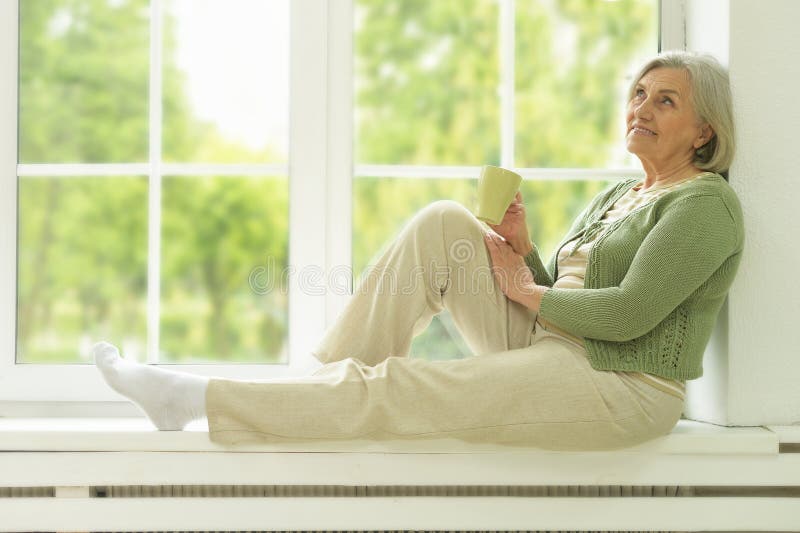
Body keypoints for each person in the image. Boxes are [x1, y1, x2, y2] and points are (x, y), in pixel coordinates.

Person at [94, 50, 743, 451]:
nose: (643, 107)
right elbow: (569, 294)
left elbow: (629, 314)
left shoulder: (705, 205)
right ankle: (320, 389)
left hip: (618, 384)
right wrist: (525, 253)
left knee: (402, 387)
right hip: (557, 345)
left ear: (704, 130)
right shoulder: (620, 194)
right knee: (445, 224)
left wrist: (525, 289)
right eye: (638, 93)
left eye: (666, 100)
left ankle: (194, 397)